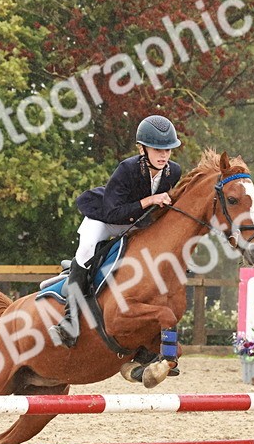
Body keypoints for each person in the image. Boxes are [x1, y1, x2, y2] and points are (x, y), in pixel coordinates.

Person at [50, 114, 183, 347]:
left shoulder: (174, 172)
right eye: (157, 149)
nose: (164, 155)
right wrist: (151, 200)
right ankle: (69, 322)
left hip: (137, 221)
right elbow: (114, 214)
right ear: (142, 149)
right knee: (86, 251)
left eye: (168, 150)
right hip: (104, 218)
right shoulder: (127, 169)